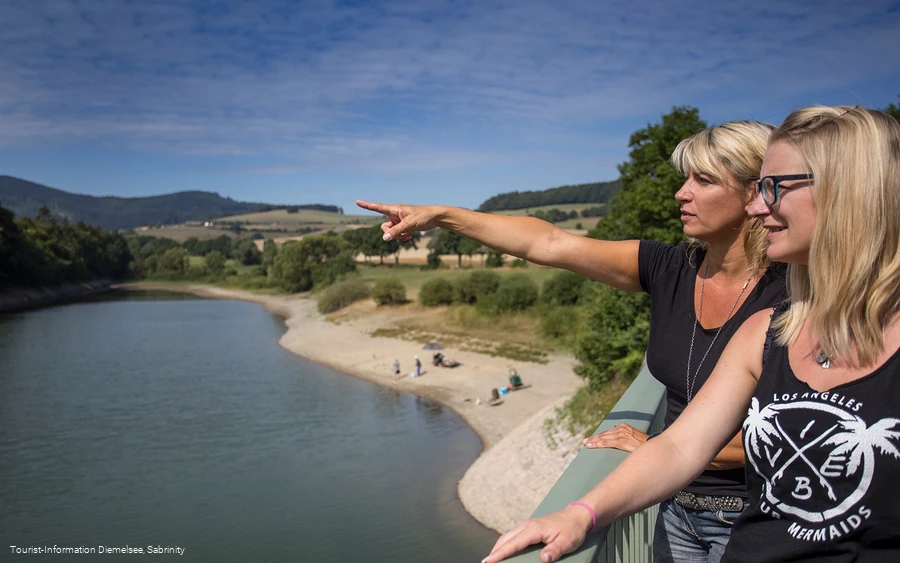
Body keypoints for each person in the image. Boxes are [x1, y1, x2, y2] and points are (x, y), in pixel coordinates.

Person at [482, 106, 900, 563]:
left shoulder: (777, 305)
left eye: (772, 187)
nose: (760, 207)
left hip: (731, 517)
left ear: (849, 191)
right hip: (687, 517)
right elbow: (682, 445)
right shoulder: (769, 331)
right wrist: (582, 512)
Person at [359, 120, 786, 562]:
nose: (681, 193)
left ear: (756, 193)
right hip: (675, 509)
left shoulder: (796, 294)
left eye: (704, 180)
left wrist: (658, 443)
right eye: (685, 178)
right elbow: (549, 242)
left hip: (754, 519)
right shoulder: (670, 268)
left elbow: (788, 434)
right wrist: (441, 216)